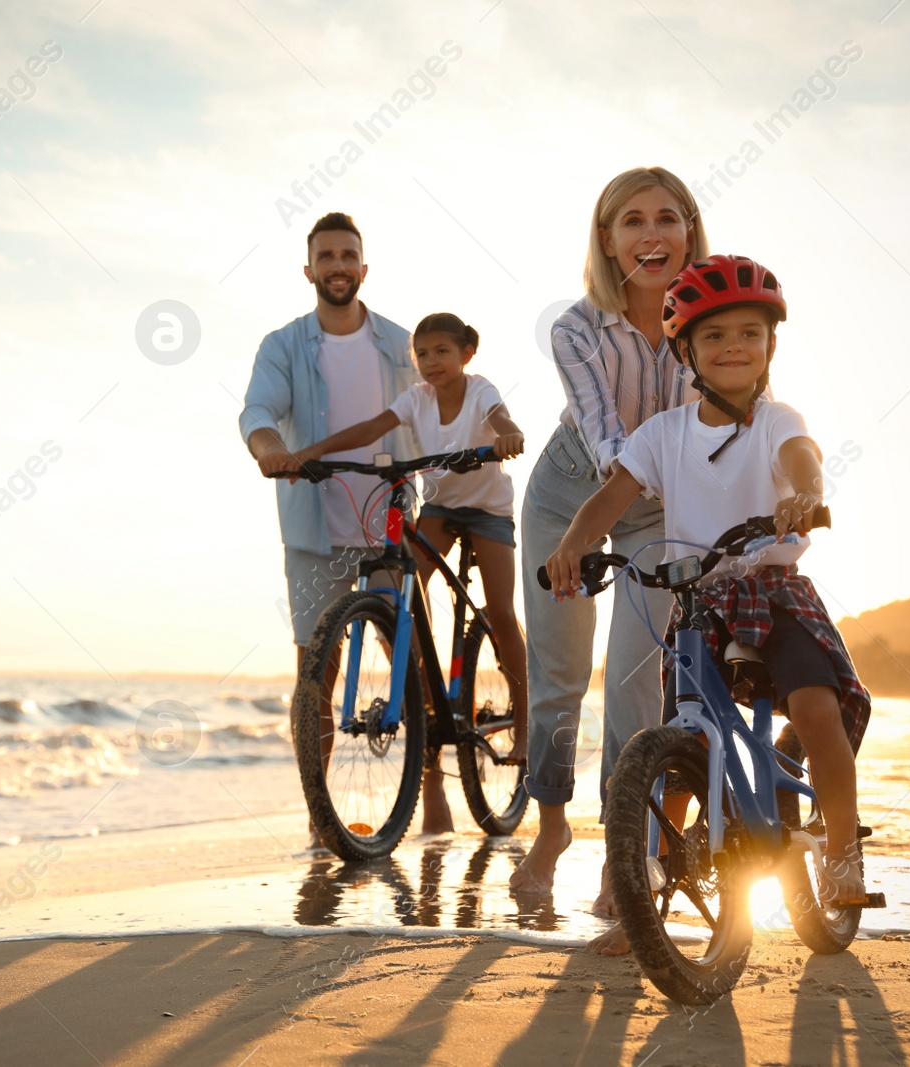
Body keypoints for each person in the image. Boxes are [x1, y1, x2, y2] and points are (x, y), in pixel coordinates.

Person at [544, 255, 874, 945]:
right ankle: (647, 900)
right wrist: (576, 539)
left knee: (817, 708)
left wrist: (808, 494)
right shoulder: (663, 433)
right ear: (685, 350)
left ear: (770, 346)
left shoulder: (776, 419)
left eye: (750, 334)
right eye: (716, 335)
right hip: (699, 602)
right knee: (681, 747)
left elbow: (800, 458)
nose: (733, 346)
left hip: (774, 590)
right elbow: (612, 495)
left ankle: (842, 848)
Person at [511, 167, 706, 910]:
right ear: (607, 238)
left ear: (689, 231)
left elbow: (730, 412)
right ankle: (552, 828)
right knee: (559, 675)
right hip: (571, 494)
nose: (650, 234)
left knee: (635, 683)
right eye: (631, 221)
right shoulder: (577, 327)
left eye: (667, 218)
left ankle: (620, 855)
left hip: (659, 511)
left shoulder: (708, 320)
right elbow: (603, 438)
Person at [239, 212, 458, 839]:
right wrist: (267, 452)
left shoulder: (399, 343)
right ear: (309, 270)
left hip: (390, 515)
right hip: (314, 526)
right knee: (316, 669)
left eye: (348, 256)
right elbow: (258, 411)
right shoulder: (282, 346)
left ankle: (433, 792)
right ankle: (319, 818)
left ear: (363, 269)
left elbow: (439, 407)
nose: (337, 266)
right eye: (326, 257)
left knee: (408, 655)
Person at [286, 313, 530, 762]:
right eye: (422, 353)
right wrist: (314, 453)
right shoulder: (416, 399)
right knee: (400, 584)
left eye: (442, 351)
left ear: (466, 354)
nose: (431, 361)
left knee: (500, 610)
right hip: (440, 508)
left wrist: (508, 435)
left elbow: (500, 417)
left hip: (488, 513)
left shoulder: (480, 390)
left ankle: (527, 724)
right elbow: (371, 429)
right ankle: (426, 701)